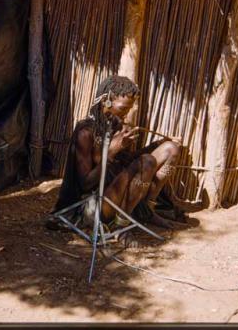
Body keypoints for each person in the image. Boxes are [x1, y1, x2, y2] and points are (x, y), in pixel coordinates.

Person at [46, 75, 184, 247]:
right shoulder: (85, 132)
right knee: (147, 161)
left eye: (130, 108)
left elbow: (130, 164)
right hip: (90, 206)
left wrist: (158, 144)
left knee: (170, 149)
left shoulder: (116, 127)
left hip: (116, 195)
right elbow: (85, 184)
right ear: (106, 101)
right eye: (123, 108)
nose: (127, 112)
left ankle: (146, 210)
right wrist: (111, 152)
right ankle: (121, 227)